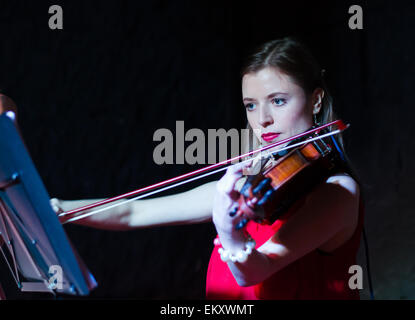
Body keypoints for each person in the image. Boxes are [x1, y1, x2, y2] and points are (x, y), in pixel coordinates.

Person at [51, 37, 364, 300]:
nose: (262, 119)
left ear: (316, 100)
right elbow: (133, 213)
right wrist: (58, 209)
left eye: (278, 101)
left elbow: (256, 271)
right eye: (251, 105)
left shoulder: (337, 192)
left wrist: (229, 232)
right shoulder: (253, 184)